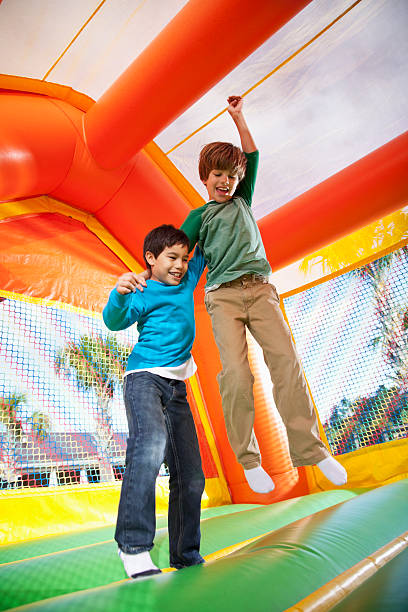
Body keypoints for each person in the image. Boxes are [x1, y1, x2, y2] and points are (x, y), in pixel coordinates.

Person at [178, 95, 348, 494]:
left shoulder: (243, 199)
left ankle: (312, 449)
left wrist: (239, 119)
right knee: (236, 375)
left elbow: (252, 155)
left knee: (286, 363)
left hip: (261, 291)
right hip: (223, 297)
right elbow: (178, 254)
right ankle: (249, 459)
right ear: (204, 176)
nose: (225, 181)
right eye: (218, 174)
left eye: (231, 176)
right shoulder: (199, 217)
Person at [103, 224, 206, 579]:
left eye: (184, 258)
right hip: (144, 379)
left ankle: (186, 554)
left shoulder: (187, 280)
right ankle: (132, 547)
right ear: (151, 259)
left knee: (192, 476)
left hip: (177, 389)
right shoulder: (143, 290)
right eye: (171, 258)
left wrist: (229, 184)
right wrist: (119, 292)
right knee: (149, 447)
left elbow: (202, 226)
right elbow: (114, 321)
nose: (179, 265)